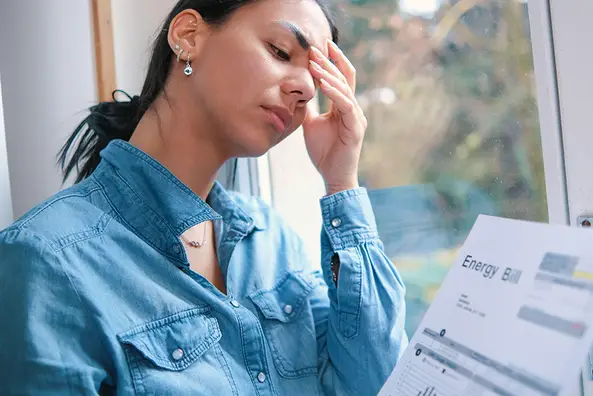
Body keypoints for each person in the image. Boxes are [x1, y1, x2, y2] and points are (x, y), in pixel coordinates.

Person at [0, 0, 408, 394]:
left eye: (316, 81)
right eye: (281, 51)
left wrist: (341, 181)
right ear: (188, 35)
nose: (304, 88)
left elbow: (378, 382)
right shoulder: (45, 260)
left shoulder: (271, 241)